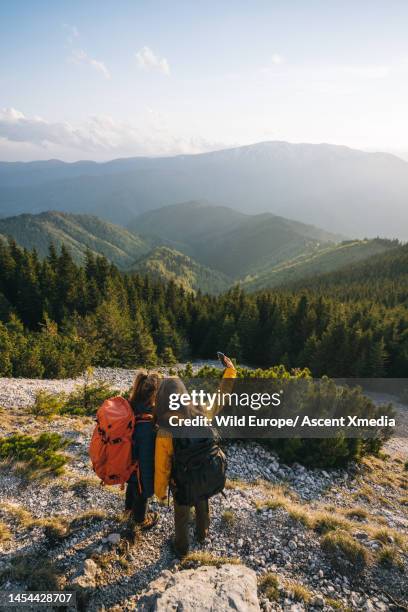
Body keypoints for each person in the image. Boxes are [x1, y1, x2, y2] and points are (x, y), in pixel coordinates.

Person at [154, 356, 236, 558]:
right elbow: (220, 397)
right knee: (202, 500)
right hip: (203, 474)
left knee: (181, 514)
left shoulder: (165, 429)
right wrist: (231, 371)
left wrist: (160, 492)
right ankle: (202, 533)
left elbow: (162, 465)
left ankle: (181, 548)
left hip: (182, 481)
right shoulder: (201, 412)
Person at [124, 370, 161, 537]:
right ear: (154, 393)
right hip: (139, 464)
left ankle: (128, 510)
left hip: (127, 461)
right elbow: (146, 460)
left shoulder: (130, 406)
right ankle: (139, 520)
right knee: (141, 490)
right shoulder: (147, 421)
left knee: (132, 483)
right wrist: (149, 489)